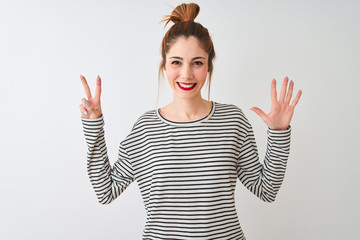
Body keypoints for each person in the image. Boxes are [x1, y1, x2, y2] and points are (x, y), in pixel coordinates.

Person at [79, 3, 302, 240]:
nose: (186, 74)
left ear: (208, 66)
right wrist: (94, 126)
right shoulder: (145, 129)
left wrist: (278, 132)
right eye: (176, 62)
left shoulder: (232, 121)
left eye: (197, 62)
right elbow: (106, 191)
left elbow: (266, 190)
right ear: (164, 66)